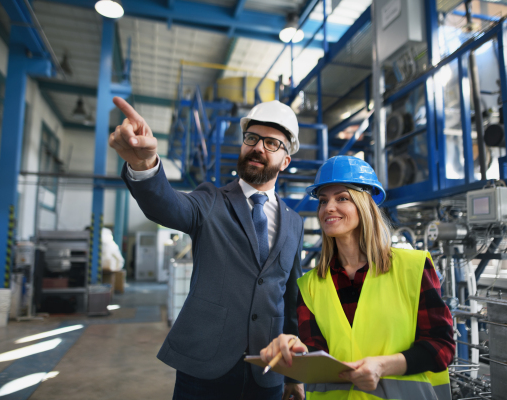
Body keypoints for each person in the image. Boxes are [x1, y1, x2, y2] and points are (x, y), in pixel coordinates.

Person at [109, 97, 305, 400]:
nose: (258, 147)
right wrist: (144, 164)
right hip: (204, 368)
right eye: (251, 138)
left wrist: (293, 375)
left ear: (286, 160)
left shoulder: (294, 222)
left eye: (271, 143)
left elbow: (290, 300)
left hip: (268, 370)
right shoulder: (211, 200)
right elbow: (167, 206)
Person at [260, 156, 455, 400]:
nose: (328, 207)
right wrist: (293, 349)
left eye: (342, 198)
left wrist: (384, 365)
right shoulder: (309, 285)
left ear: (365, 205)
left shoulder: (414, 268)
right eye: (323, 201)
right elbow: (318, 353)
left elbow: (442, 346)